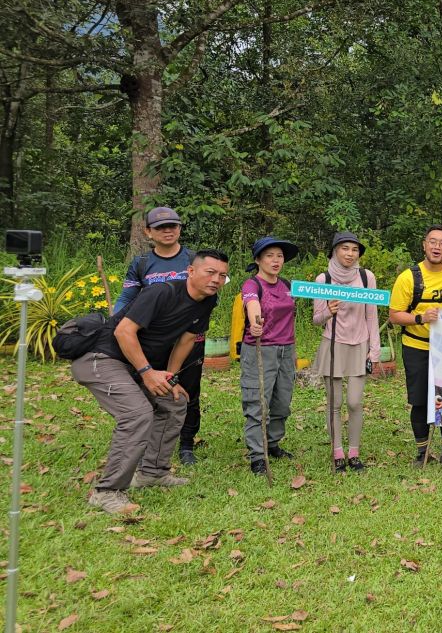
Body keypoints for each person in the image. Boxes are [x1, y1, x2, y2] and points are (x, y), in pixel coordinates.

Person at [72, 250, 229, 514]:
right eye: (210, 272)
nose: (216, 279)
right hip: (102, 359)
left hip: (135, 365)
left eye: (222, 275)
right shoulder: (161, 292)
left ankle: (152, 473)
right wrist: (147, 372)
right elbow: (124, 331)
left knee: (174, 401)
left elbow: (187, 340)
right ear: (191, 271)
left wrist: (170, 377)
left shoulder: (207, 302)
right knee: (137, 414)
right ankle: (107, 491)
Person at [113, 206, 207, 466]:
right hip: (153, 341)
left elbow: (208, 294)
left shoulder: (194, 259)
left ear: (179, 228)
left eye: (173, 226)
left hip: (188, 339)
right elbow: (127, 298)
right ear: (148, 232)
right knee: (150, 390)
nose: (168, 231)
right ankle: (149, 442)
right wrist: (115, 323)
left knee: (188, 391)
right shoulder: (142, 263)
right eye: (160, 227)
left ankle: (187, 443)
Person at [389, 225, 442, 468]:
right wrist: (420, 318)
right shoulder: (408, 278)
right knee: (419, 401)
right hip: (416, 346)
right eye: (433, 242)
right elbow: (395, 315)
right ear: (424, 245)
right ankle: (422, 453)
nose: (437, 247)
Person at [310, 232, 380, 473]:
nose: (350, 254)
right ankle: (337, 451)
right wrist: (329, 310)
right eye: (345, 248)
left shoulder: (366, 277)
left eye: (354, 249)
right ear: (334, 251)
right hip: (333, 344)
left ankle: (354, 452)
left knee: (354, 401)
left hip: (359, 343)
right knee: (335, 402)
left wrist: (375, 348)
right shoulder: (324, 280)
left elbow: (372, 314)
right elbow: (316, 319)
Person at [240, 236, 299, 476]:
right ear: (258, 260)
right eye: (269, 256)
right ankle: (257, 454)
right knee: (257, 402)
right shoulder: (252, 285)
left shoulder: (286, 284)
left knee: (282, 402)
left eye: (279, 256)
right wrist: (256, 323)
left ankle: (273, 443)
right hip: (259, 349)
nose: (276, 261)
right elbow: (252, 304)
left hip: (287, 349)